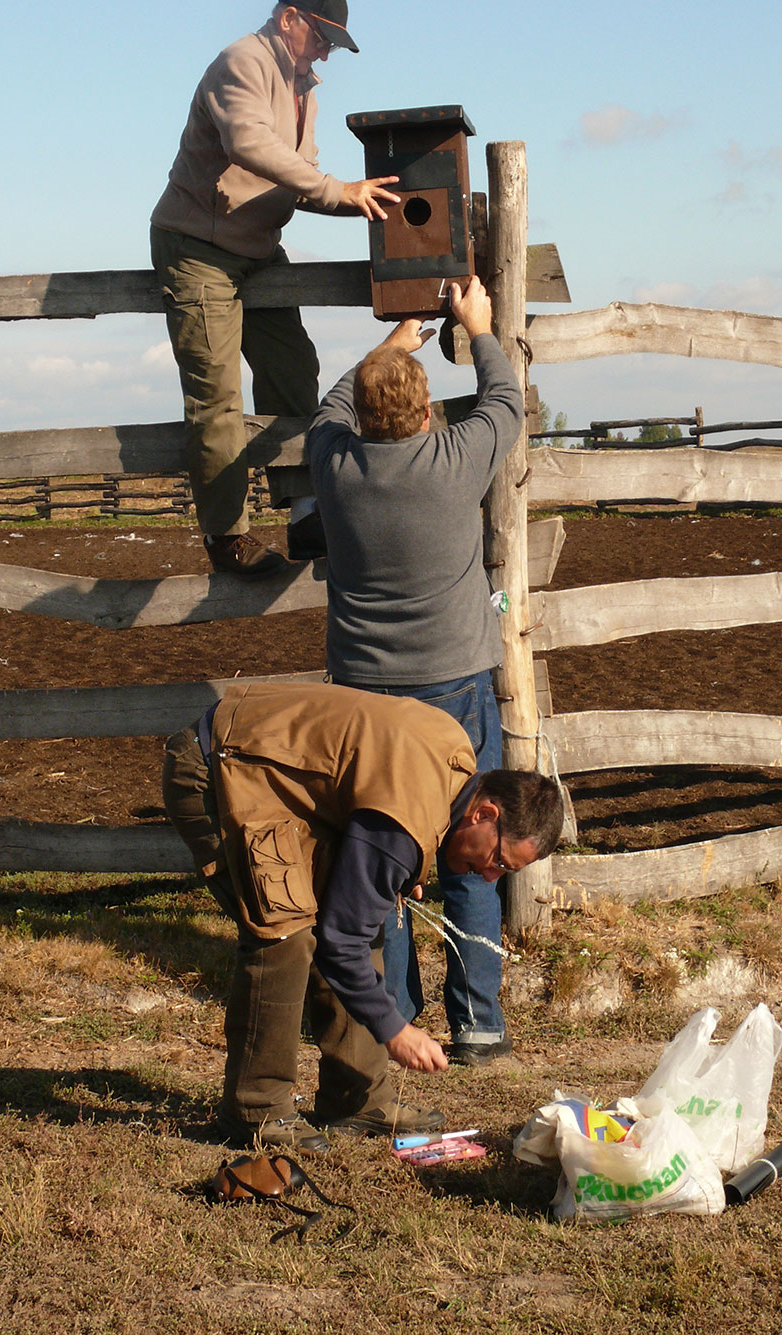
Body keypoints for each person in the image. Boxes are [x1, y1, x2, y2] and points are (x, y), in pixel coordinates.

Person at [162, 680, 564, 1154]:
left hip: (278, 777)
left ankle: (354, 1099)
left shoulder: (457, 764)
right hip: (221, 766)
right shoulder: (405, 822)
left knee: (364, 914)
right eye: (498, 860)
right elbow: (340, 939)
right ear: (485, 814)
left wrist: (397, 868)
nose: (490, 876)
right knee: (285, 932)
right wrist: (395, 1030)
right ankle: (256, 1109)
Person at [304, 277, 524, 1065]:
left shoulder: (333, 463)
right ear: (428, 413)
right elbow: (506, 397)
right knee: (474, 844)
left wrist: (394, 341)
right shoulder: (455, 457)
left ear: (362, 420)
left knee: (382, 853)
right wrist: (478, 326)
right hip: (454, 685)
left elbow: (329, 403)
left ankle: (394, 1014)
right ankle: (479, 1021)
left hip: (365, 698)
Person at [150, 0, 399, 578]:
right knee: (217, 397)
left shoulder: (303, 93)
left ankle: (306, 511)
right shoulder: (243, 61)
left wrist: (358, 201)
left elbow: (298, 175)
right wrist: (338, 189)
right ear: (290, 19)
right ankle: (226, 538)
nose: (324, 54)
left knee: (293, 370)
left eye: (333, 46)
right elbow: (249, 144)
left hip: (257, 248)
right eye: (321, 38)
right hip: (200, 248)